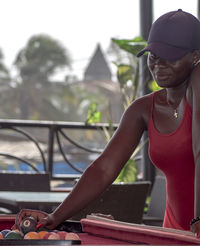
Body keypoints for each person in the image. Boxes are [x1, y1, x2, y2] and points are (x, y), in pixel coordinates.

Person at [13, 9, 200, 233]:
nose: (159, 64)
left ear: (196, 56)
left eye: (170, 56)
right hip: (174, 234)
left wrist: (198, 221)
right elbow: (103, 169)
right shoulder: (142, 109)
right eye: (154, 55)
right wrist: (55, 215)